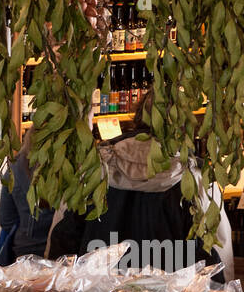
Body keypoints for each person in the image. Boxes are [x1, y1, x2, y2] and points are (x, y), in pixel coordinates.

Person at [45, 93, 234, 280]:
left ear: (138, 118)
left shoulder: (91, 171)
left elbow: (60, 247)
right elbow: (219, 255)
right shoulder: (196, 180)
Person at [0, 129, 56, 264]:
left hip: (24, 249)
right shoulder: (64, 170)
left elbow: (6, 220)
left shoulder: (14, 169)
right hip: (58, 251)